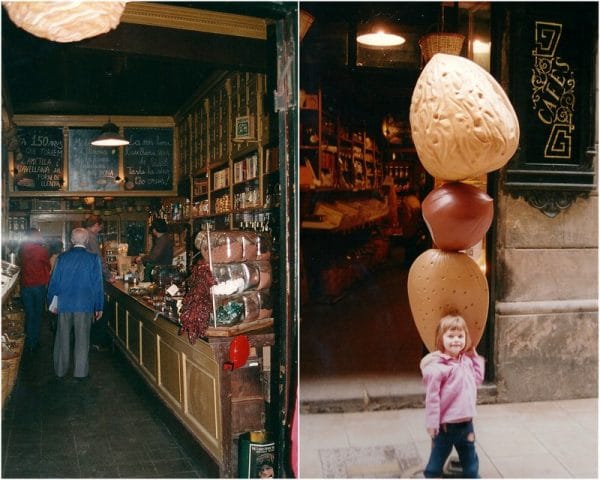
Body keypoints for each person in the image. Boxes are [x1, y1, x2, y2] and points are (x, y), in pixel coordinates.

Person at [420, 313, 485, 478]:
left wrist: (475, 357)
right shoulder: (438, 368)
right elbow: (432, 398)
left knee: (471, 465)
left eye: (460, 336)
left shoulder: (466, 362)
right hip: (445, 428)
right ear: (441, 339)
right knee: (434, 466)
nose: (456, 340)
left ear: (466, 339)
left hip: (466, 424)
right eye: (450, 336)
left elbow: (477, 380)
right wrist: (432, 423)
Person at [47, 228, 104, 380]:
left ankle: (60, 370)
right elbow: (98, 285)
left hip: (64, 304)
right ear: (86, 241)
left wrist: (50, 301)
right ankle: (80, 372)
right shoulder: (93, 259)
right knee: (82, 339)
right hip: (84, 305)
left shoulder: (62, 258)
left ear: (72, 241)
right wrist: (99, 306)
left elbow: (54, 283)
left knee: (62, 338)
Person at [84, 215, 114, 351]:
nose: (99, 230)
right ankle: (96, 341)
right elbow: (98, 260)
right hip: (92, 280)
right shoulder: (91, 237)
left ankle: (90, 340)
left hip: (85, 280)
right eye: (99, 227)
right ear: (95, 225)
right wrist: (108, 275)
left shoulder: (84, 235)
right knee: (103, 309)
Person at [18, 228, 51, 353]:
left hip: (26, 285)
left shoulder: (22, 250)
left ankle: (29, 341)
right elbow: (48, 265)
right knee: (37, 315)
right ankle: (34, 341)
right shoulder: (41, 250)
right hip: (38, 285)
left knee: (29, 314)